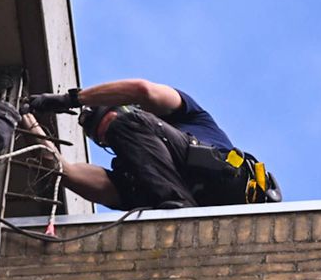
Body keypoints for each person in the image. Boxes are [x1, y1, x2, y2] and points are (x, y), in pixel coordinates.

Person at [26, 78, 280, 211]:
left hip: (229, 182)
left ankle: (181, 208)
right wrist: (25, 121)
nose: (110, 135)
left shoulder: (189, 116)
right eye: (103, 137)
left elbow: (142, 89)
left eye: (109, 123)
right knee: (136, 187)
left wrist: (71, 99)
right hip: (193, 205)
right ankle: (181, 210)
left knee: (128, 125)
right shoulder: (139, 173)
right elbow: (65, 172)